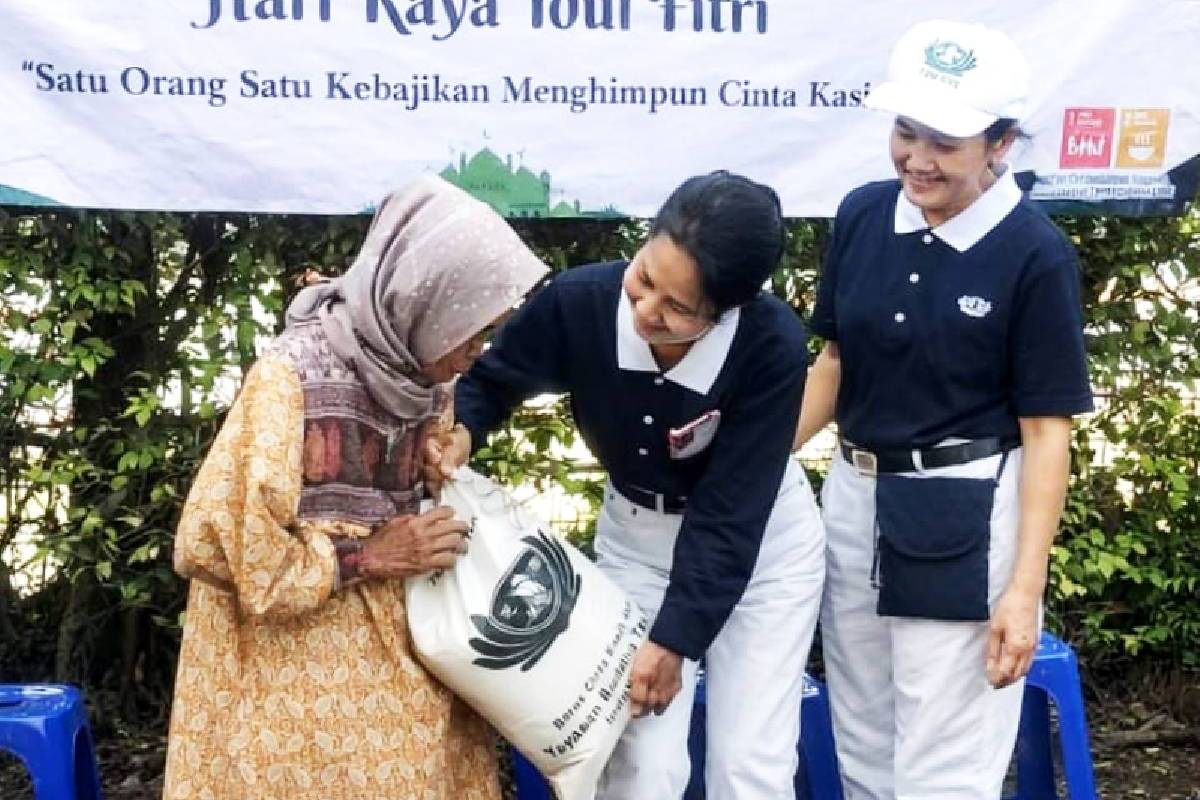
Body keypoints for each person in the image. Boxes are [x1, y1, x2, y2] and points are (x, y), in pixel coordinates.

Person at [429, 171, 826, 799]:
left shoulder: (769, 344)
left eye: (676, 309)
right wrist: (464, 431)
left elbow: (730, 514)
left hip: (761, 550)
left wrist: (676, 639)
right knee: (642, 759)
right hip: (638, 542)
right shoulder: (580, 301)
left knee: (748, 762)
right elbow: (492, 379)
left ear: (726, 311)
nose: (646, 311)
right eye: (644, 278)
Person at [162, 176, 548, 800]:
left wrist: (439, 471)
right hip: (283, 659)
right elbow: (225, 549)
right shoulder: (290, 379)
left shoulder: (424, 373)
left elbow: (418, 503)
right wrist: (367, 555)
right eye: (470, 332)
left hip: (403, 641)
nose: (478, 353)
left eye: (488, 333)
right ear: (423, 301)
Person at [793, 20, 1093, 799]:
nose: (917, 160)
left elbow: (1045, 432)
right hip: (855, 497)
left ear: (1000, 144)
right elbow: (834, 364)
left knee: (944, 755)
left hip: (961, 511)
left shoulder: (1034, 253)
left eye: (945, 143)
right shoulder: (864, 214)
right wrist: (745, 463)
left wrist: (1023, 591)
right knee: (860, 732)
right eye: (906, 133)